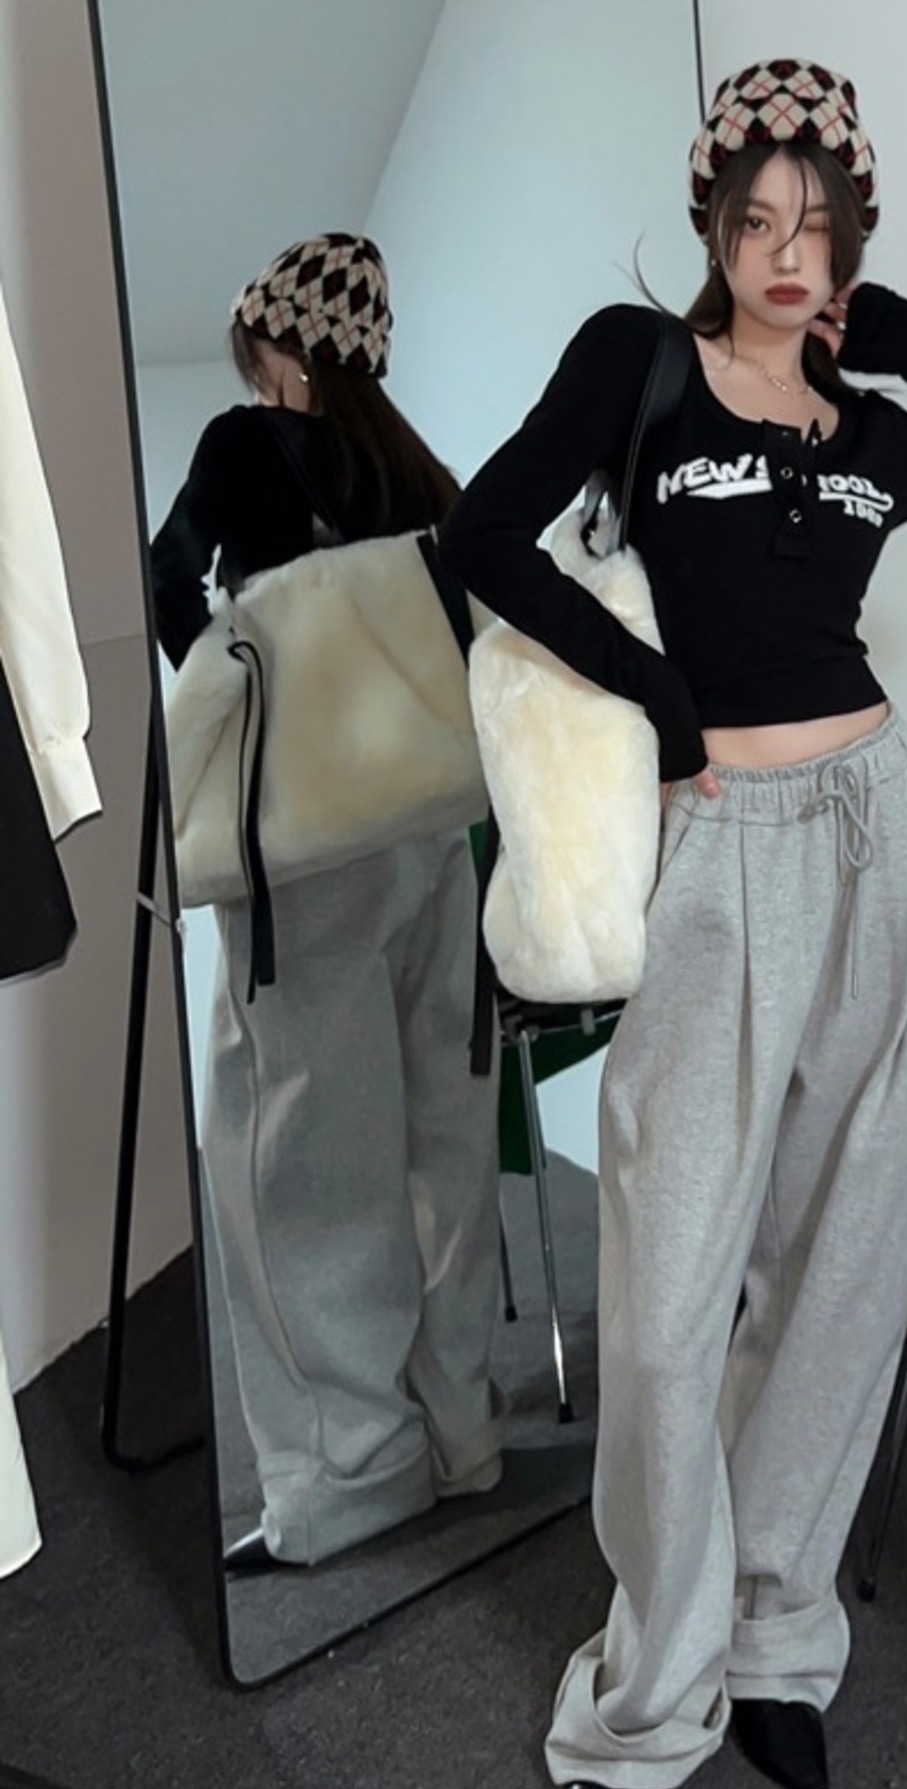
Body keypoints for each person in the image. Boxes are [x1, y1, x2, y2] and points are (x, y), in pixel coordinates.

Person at [442, 58, 907, 1789]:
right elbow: (481, 536)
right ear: (714, 226)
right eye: (757, 222)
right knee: (672, 1295)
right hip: (723, 847)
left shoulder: (871, 430)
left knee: (842, 1265)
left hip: (886, 831)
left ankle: (777, 1639)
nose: (786, 256)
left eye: (818, 228)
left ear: (851, 245)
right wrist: (659, 697)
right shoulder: (639, 368)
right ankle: (649, 1691)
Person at [151, 232, 504, 1571]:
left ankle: (351, 1475)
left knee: (297, 1159)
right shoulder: (421, 475)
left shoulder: (244, 447)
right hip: (434, 840)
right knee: (440, 1139)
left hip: (305, 856)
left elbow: (168, 580)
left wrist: (242, 676)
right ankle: (461, 1432)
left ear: (282, 343)